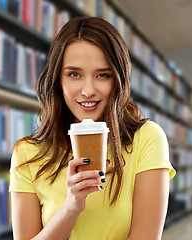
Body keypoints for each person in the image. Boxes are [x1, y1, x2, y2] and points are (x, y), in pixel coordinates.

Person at [9, 16, 176, 240]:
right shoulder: (27, 153)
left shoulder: (146, 138)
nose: (88, 90)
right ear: (58, 79)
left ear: (118, 80)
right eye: (74, 74)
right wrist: (72, 206)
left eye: (102, 75)